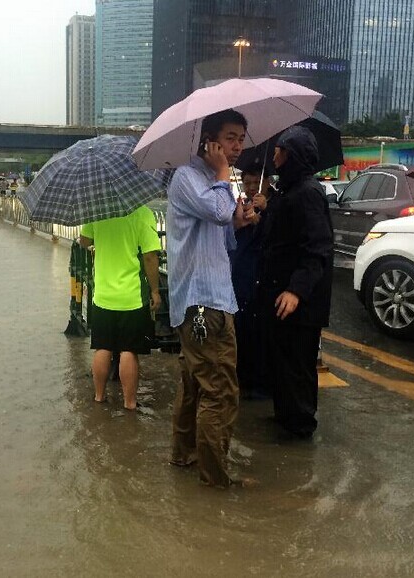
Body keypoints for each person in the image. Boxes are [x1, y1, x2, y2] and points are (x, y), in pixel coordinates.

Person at [166, 108, 246, 488]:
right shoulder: (189, 177)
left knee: (196, 384)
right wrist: (222, 177)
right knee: (221, 390)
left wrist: (240, 220)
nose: (237, 146)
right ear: (209, 141)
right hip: (204, 303)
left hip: (206, 299)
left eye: (241, 139)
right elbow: (216, 212)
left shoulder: (208, 181)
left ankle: (185, 454)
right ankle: (216, 478)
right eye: (230, 138)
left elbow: (222, 235)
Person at [257, 125, 334, 439]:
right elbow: (278, 238)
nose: (274, 155)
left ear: (293, 154)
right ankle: (286, 416)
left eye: (279, 149)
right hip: (280, 296)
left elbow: (317, 248)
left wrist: (295, 290)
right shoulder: (287, 191)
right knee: (282, 363)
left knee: (298, 365)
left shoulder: (308, 193)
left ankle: (300, 426)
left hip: (299, 303)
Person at [78, 205, 162, 410]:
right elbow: (150, 256)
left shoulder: (96, 210)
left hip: (103, 294)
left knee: (102, 346)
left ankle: (99, 396)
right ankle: (129, 403)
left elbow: (84, 241)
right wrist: (155, 291)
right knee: (128, 350)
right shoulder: (143, 213)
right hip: (131, 296)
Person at [230, 163, 272, 400]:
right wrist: (240, 222)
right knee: (241, 331)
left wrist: (264, 218)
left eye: (256, 182)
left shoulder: (273, 206)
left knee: (260, 334)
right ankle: (243, 378)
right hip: (241, 278)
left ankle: (261, 384)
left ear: (267, 181)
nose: (251, 187)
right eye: (247, 183)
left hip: (262, 279)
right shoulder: (242, 206)